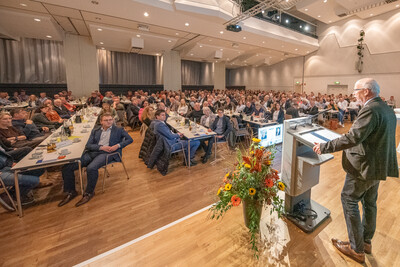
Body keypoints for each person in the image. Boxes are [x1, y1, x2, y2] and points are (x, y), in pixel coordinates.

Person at [313, 78, 398, 264]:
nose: (353, 93)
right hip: (377, 166)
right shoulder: (386, 108)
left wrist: (324, 146)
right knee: (369, 203)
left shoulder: (370, 109)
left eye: (356, 90)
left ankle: (356, 248)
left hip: (363, 167)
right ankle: (365, 242)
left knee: (349, 199)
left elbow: (353, 138)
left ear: (366, 91)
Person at [59, 113, 133, 207]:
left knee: (91, 168)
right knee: (67, 167)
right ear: (101, 122)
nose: (109, 122)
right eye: (106, 120)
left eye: (110, 119)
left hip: (109, 153)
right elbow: (88, 145)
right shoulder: (95, 130)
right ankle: (71, 191)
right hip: (95, 151)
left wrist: (117, 146)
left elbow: (130, 140)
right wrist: (101, 147)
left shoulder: (119, 130)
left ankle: (89, 193)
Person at [0, 146, 44, 210]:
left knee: (39, 168)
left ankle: (14, 193)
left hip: (5, 166)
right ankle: (11, 196)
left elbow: (3, 156)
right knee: (35, 180)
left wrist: (11, 163)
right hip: (2, 174)